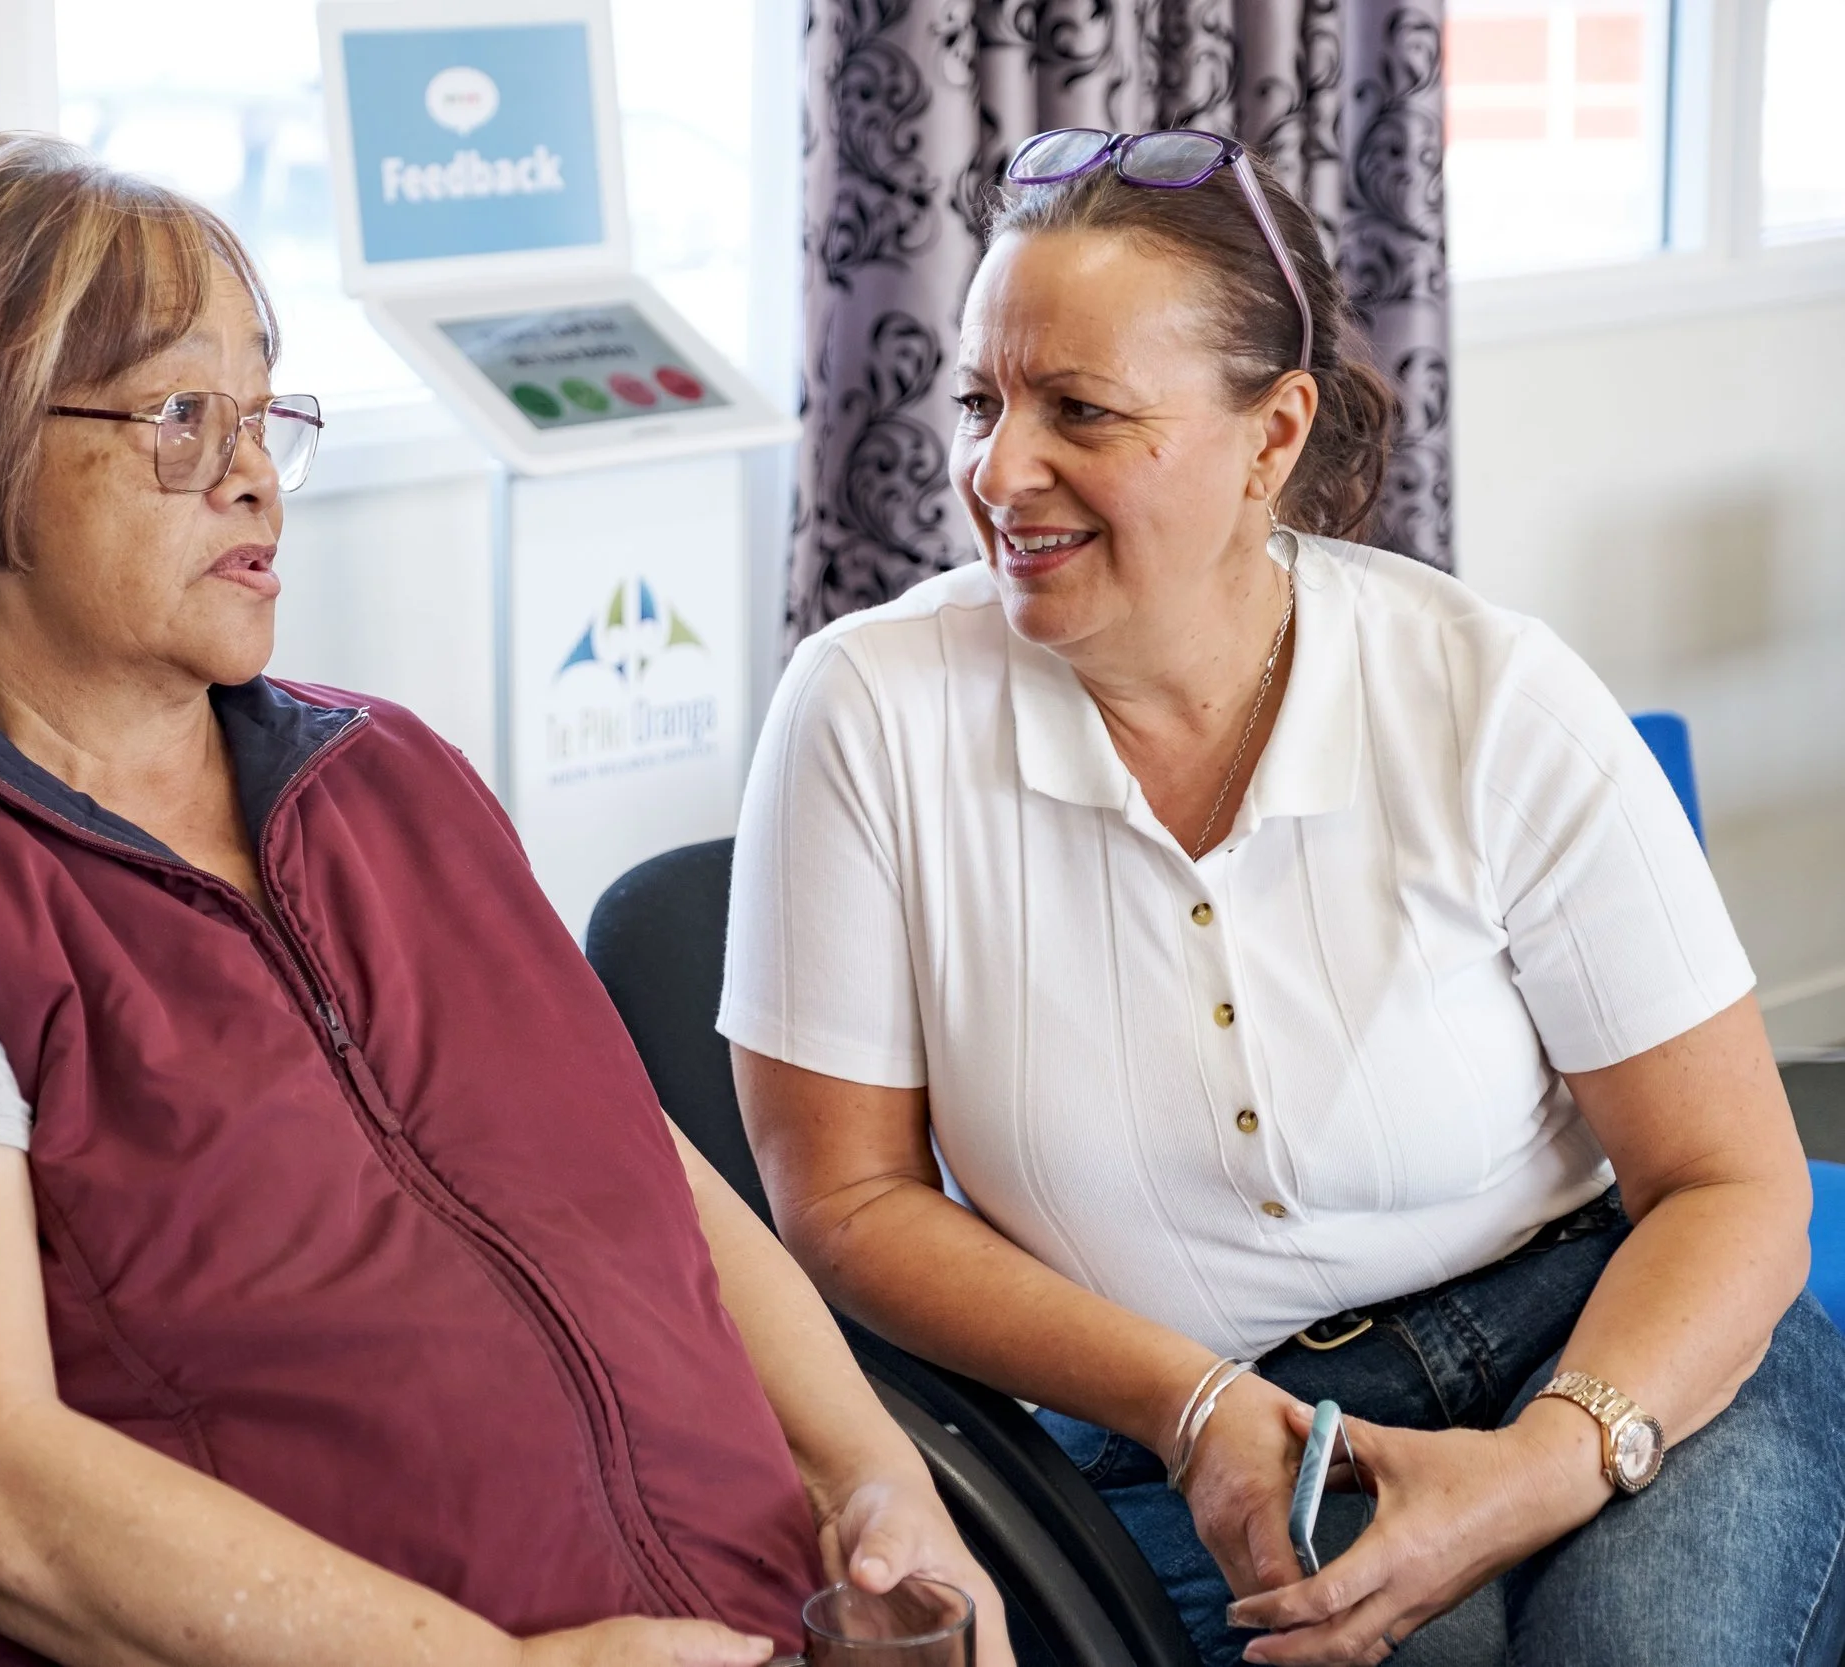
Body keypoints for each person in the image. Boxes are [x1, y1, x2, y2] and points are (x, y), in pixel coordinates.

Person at [0, 134, 1007, 1667]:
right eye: (183, 416)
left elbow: (637, 1169)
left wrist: (874, 1475)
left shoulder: (388, 777)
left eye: (265, 408)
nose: (257, 469)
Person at [720, 127, 1845, 1667]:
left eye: (1081, 412)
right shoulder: (867, 711)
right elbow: (842, 1201)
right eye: (981, 403)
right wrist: (1191, 1408)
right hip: (1196, 1411)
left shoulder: (1490, 693)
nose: (996, 472)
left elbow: (1736, 1185)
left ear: (1272, 436)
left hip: (1597, 1333)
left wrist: (1543, 1463)